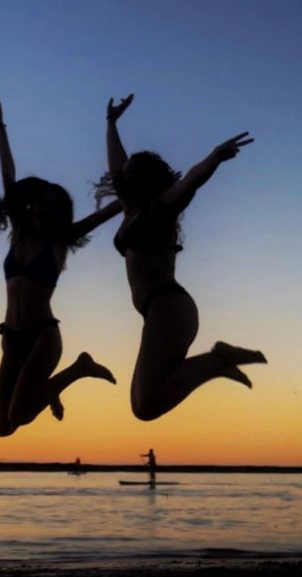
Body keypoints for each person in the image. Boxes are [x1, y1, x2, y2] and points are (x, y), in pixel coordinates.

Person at [99, 94, 266, 422]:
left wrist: (214, 158)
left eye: (135, 173)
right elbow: (117, 165)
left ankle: (217, 362)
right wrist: (111, 124)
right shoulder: (130, 209)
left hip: (168, 308)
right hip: (158, 312)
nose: (126, 176)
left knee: (145, 407)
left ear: (150, 179)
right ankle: (217, 363)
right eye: (127, 172)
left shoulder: (161, 208)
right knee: (141, 403)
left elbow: (189, 182)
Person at [0, 98, 121, 437]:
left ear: (61, 214)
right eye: (42, 205)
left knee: (19, 415)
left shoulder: (61, 240)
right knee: (2, 428)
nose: (47, 211)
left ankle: (78, 369)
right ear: (31, 208)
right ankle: (52, 389)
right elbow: (8, 177)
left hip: (43, 335)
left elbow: (117, 206)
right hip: (11, 338)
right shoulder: (18, 232)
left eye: (54, 208)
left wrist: (112, 128)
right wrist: (0, 129)